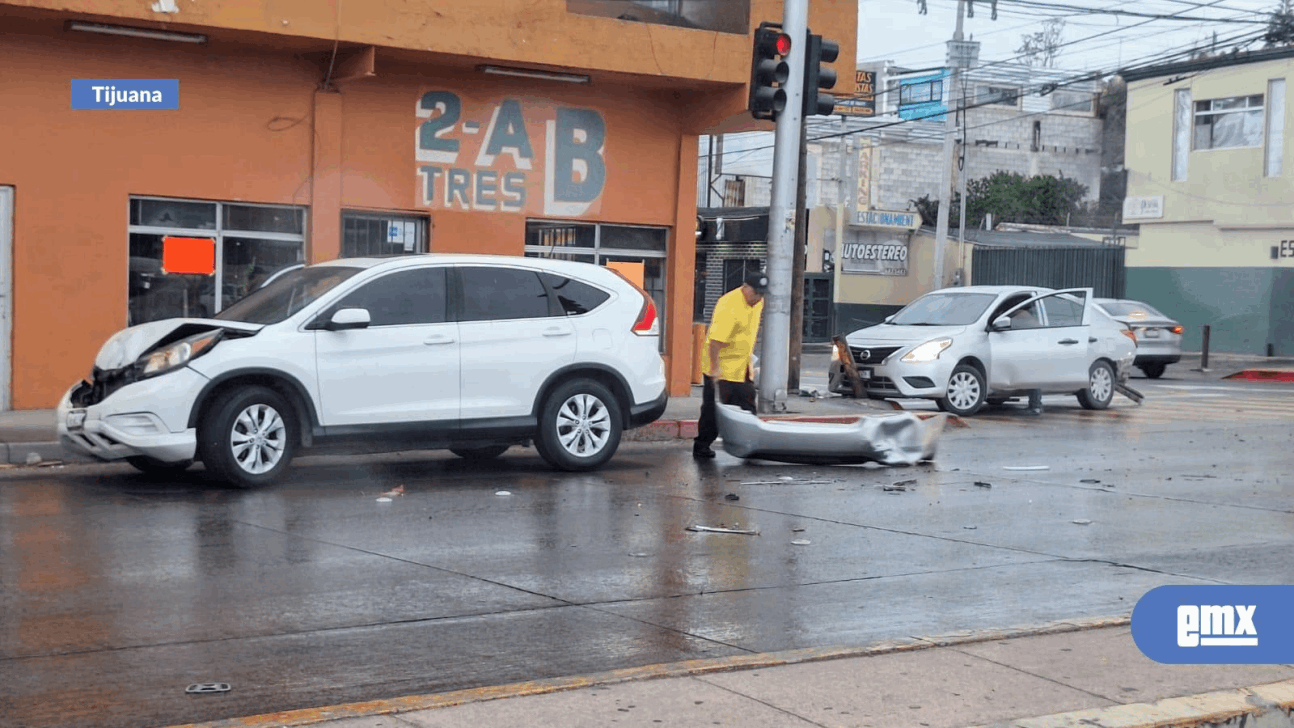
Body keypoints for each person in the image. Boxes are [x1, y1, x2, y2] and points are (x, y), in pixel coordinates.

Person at [692, 272, 767, 458]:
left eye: (762, 294)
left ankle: (753, 446)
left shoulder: (758, 303)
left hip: (742, 366)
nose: (758, 297)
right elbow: (715, 342)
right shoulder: (729, 306)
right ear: (745, 287)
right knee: (713, 410)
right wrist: (715, 369)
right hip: (721, 366)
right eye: (755, 293)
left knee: (748, 406)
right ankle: (702, 446)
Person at [1008, 307, 1045, 415]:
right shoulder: (1029, 317)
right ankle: (1036, 405)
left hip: (1030, 352)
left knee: (1033, 378)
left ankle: (1036, 406)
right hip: (1032, 351)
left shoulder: (1021, 317)